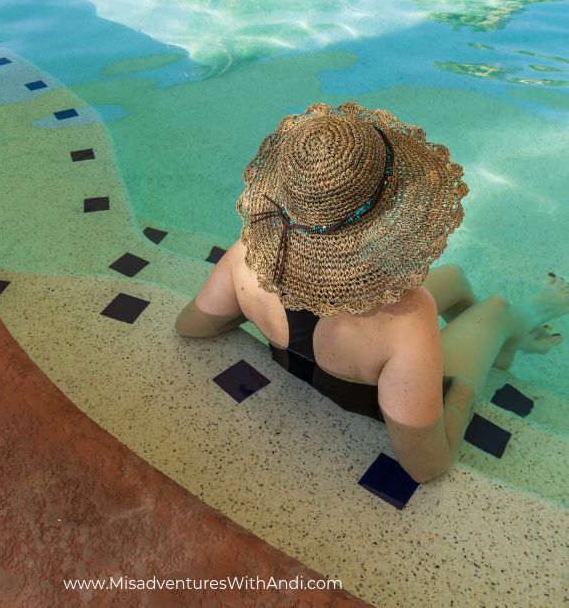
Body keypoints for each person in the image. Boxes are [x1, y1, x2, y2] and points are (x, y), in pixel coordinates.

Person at [175, 102, 566, 483]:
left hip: (325, 350)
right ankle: (523, 322)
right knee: (495, 310)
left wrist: (263, 310)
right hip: (364, 376)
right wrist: (462, 392)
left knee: (455, 277)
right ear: (393, 209)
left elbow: (191, 327)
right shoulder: (407, 316)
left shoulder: (247, 257)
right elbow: (426, 465)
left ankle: (509, 347)